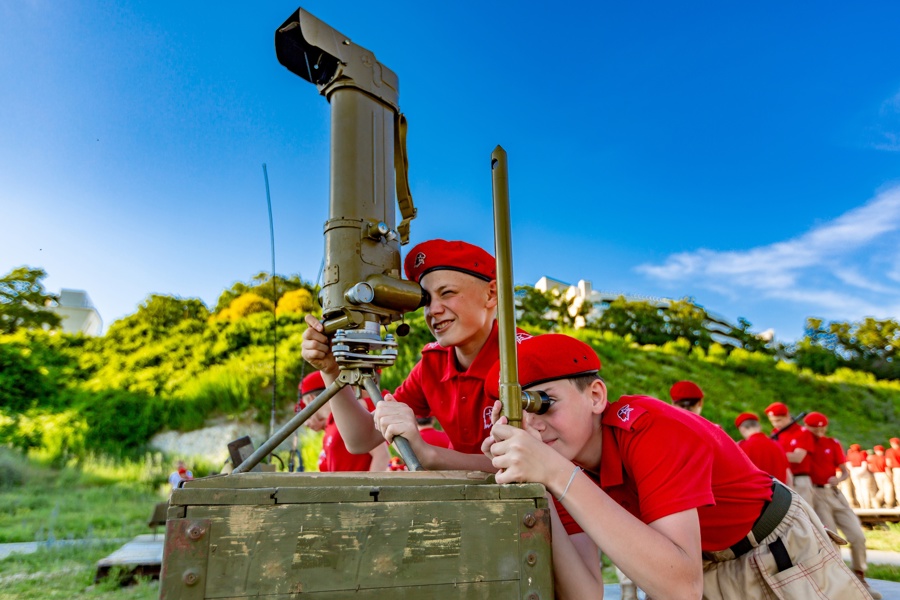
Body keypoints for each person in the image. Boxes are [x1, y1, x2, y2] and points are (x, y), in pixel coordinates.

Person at [481, 334, 868, 600]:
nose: (533, 425)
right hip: (702, 566)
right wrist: (540, 486)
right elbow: (586, 592)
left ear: (596, 396)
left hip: (772, 551)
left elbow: (680, 588)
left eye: (542, 402)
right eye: (516, 414)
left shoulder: (648, 426)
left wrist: (555, 475)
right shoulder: (567, 463)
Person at [302, 239, 527, 471]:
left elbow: (531, 461)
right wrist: (330, 370)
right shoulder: (433, 365)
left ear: (491, 294)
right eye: (427, 301)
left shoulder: (528, 359)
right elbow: (361, 439)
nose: (433, 311)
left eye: (447, 293)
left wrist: (428, 454)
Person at [804, 411, 883, 599]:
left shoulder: (832, 443)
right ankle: (839, 581)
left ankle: (860, 575)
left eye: (822, 426)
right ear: (807, 427)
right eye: (815, 427)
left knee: (857, 535)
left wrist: (838, 478)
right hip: (815, 493)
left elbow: (845, 472)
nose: (820, 430)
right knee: (831, 538)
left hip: (834, 493)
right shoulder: (804, 443)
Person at [296, 371, 390, 472]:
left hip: (357, 487)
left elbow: (382, 455)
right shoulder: (331, 423)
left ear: (310, 399)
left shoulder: (347, 419)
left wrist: (369, 487)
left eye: (305, 404)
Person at [766, 402, 816, 506]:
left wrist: (773, 454)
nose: (776, 424)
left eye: (778, 420)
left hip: (799, 479)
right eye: (772, 421)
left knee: (805, 513)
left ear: (787, 416)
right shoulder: (775, 433)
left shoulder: (802, 432)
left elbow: (798, 457)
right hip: (782, 480)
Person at [735, 412, 792, 485]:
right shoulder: (777, 445)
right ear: (759, 426)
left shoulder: (742, 446)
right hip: (778, 493)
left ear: (742, 429)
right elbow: (788, 475)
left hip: (754, 492)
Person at [847, 443, 874, 509]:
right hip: (862, 472)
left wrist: (854, 471)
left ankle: (862, 504)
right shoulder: (862, 454)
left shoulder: (849, 455)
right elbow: (864, 464)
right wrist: (860, 472)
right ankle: (867, 504)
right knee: (865, 489)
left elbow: (848, 465)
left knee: (858, 489)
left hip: (854, 472)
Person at [886, 438, 900, 507]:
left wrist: (889, 473)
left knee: (898, 487)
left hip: (896, 470)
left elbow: (888, 463)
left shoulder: (889, 451)